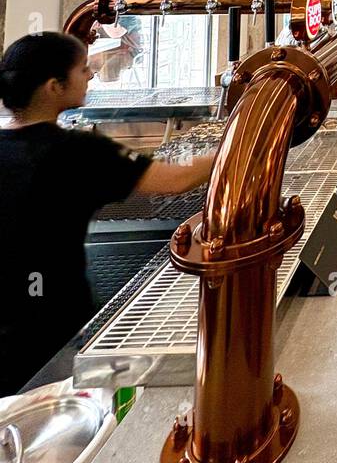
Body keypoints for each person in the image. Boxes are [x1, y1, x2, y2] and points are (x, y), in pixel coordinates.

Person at [0, 32, 215, 396]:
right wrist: (240, 146)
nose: (90, 75)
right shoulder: (77, 152)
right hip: (53, 328)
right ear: (54, 86)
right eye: (82, 69)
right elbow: (176, 179)